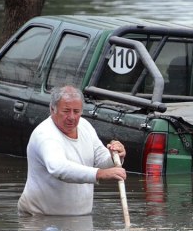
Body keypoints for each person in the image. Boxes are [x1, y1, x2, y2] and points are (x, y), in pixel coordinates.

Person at [18, 85, 127, 216]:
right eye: (66, 111)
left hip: (80, 219)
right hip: (40, 218)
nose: (72, 117)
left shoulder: (85, 126)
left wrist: (115, 157)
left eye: (76, 111)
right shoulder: (45, 134)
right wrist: (100, 174)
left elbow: (101, 160)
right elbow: (58, 168)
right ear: (53, 109)